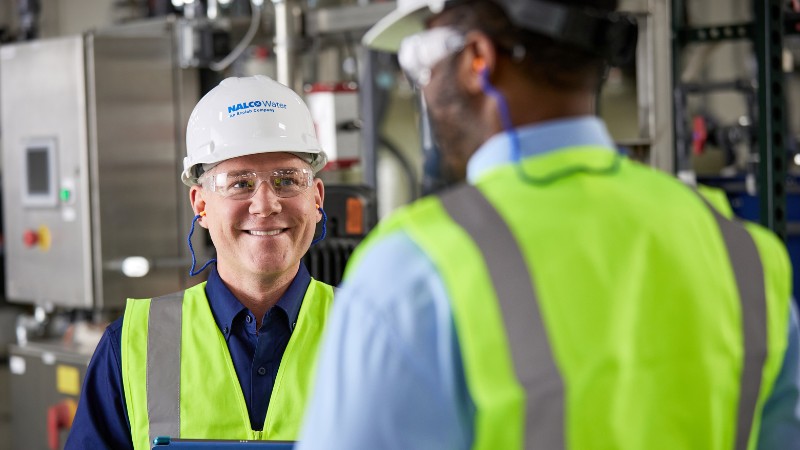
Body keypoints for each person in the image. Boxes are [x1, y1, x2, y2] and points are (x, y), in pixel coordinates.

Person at [298, 1, 800, 449]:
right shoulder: (744, 254)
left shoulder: (415, 268)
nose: (423, 86)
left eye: (421, 60)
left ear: (478, 60)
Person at [67, 75, 334, 450]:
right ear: (201, 205)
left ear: (316, 199)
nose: (266, 204)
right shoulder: (131, 346)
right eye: (239, 183)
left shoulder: (375, 334)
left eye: (287, 180)